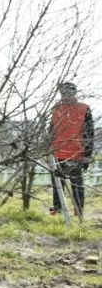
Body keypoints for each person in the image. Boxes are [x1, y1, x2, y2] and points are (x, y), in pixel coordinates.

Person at [49, 81, 93, 217]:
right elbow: (51, 131)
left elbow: (89, 133)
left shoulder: (84, 108)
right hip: (57, 152)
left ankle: (78, 212)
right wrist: (48, 151)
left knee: (76, 185)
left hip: (76, 153)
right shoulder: (56, 108)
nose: (65, 95)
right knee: (57, 184)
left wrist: (87, 154)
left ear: (74, 93)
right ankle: (57, 209)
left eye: (68, 92)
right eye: (63, 92)